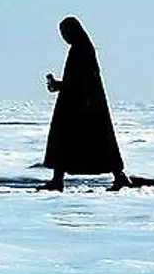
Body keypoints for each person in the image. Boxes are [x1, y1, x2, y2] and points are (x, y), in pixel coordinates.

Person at [42, 17, 130, 191]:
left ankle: (58, 180)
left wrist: (60, 85)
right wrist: (61, 85)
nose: (64, 37)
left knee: (69, 141)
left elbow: (81, 81)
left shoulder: (80, 50)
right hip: (82, 103)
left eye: (65, 33)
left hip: (81, 106)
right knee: (94, 142)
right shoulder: (81, 48)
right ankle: (118, 176)